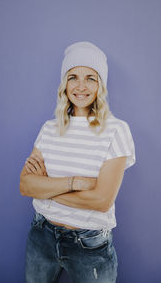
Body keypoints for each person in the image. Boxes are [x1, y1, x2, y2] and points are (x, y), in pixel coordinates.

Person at [20, 41, 136, 283]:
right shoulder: (49, 128)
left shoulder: (116, 130)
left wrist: (47, 188)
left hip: (89, 245)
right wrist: (74, 182)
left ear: (100, 85)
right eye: (73, 77)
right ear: (64, 84)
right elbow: (26, 186)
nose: (81, 86)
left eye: (90, 78)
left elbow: (101, 201)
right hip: (41, 234)